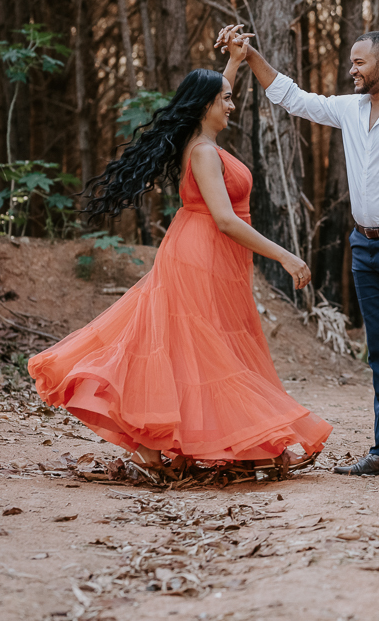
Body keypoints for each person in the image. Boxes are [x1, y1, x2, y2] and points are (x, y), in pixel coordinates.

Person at [27, 64, 331, 473]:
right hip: (201, 252)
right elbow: (225, 219)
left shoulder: (200, 139)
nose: (232, 103)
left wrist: (235, 64)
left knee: (204, 348)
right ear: (206, 105)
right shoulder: (204, 151)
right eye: (226, 98)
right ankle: (200, 444)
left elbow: (211, 94)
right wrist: (284, 255)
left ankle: (209, 445)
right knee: (206, 348)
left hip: (214, 253)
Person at [215, 25, 379, 476]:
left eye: (359, 63)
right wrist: (250, 56)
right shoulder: (349, 110)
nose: (351, 70)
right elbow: (292, 97)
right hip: (365, 246)